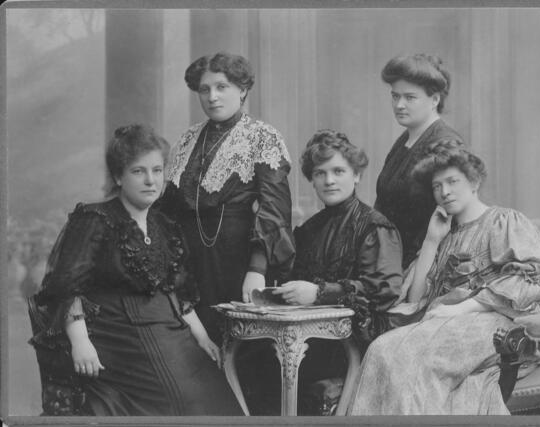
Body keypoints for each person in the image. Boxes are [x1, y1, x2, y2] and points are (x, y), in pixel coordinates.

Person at [29, 124, 243, 416]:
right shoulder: (95, 219)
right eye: (138, 171)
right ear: (118, 176)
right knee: (172, 397)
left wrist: (203, 338)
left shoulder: (166, 227)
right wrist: (80, 342)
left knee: (209, 395)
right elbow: (67, 286)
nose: (150, 180)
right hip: (118, 336)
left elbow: (180, 292)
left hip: (170, 331)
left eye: (157, 171)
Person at [348, 147, 540, 415]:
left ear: (474, 182)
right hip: (446, 325)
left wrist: (462, 308)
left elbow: (532, 284)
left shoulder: (503, 222)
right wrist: (431, 240)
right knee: (380, 349)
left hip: (496, 326)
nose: (444, 192)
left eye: (452, 182)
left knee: (409, 357)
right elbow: (415, 299)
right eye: (437, 186)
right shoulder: (444, 234)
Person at [158, 52, 295, 341]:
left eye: (222, 87)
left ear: (242, 89)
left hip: (237, 260)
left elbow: (274, 209)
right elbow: (167, 206)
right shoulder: (187, 140)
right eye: (204, 89)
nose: (212, 97)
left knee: (240, 347)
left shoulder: (262, 137)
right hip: (190, 260)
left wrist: (257, 269)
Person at [270, 129, 404, 415]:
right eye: (320, 173)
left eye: (338, 171)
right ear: (312, 180)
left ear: (356, 175)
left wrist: (319, 293)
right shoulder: (308, 230)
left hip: (356, 341)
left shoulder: (374, 227)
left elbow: (383, 290)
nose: (329, 180)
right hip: (309, 339)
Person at [374, 53, 465, 269]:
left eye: (410, 97)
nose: (399, 105)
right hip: (391, 261)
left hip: (425, 265)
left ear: (435, 99)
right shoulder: (404, 140)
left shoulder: (447, 144)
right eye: (395, 96)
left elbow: (453, 221)